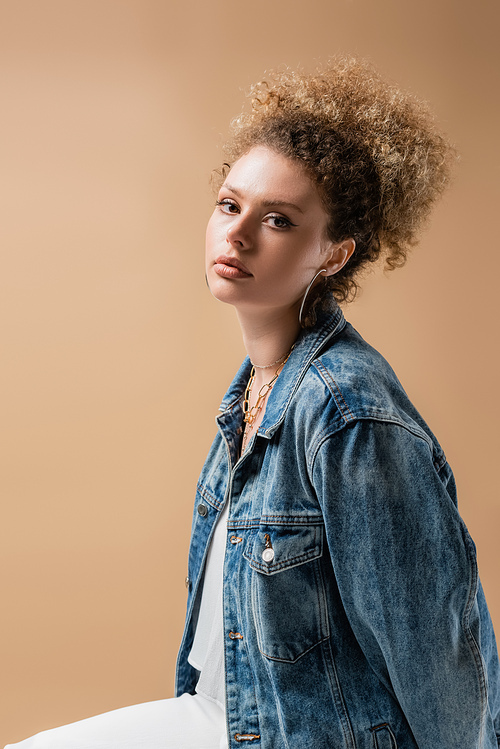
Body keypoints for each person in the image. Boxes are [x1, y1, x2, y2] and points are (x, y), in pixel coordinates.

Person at [6, 58, 500, 749]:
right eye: (230, 204)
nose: (236, 234)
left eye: (279, 220)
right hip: (239, 718)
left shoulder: (346, 409)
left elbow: (439, 662)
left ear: (333, 253)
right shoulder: (249, 397)